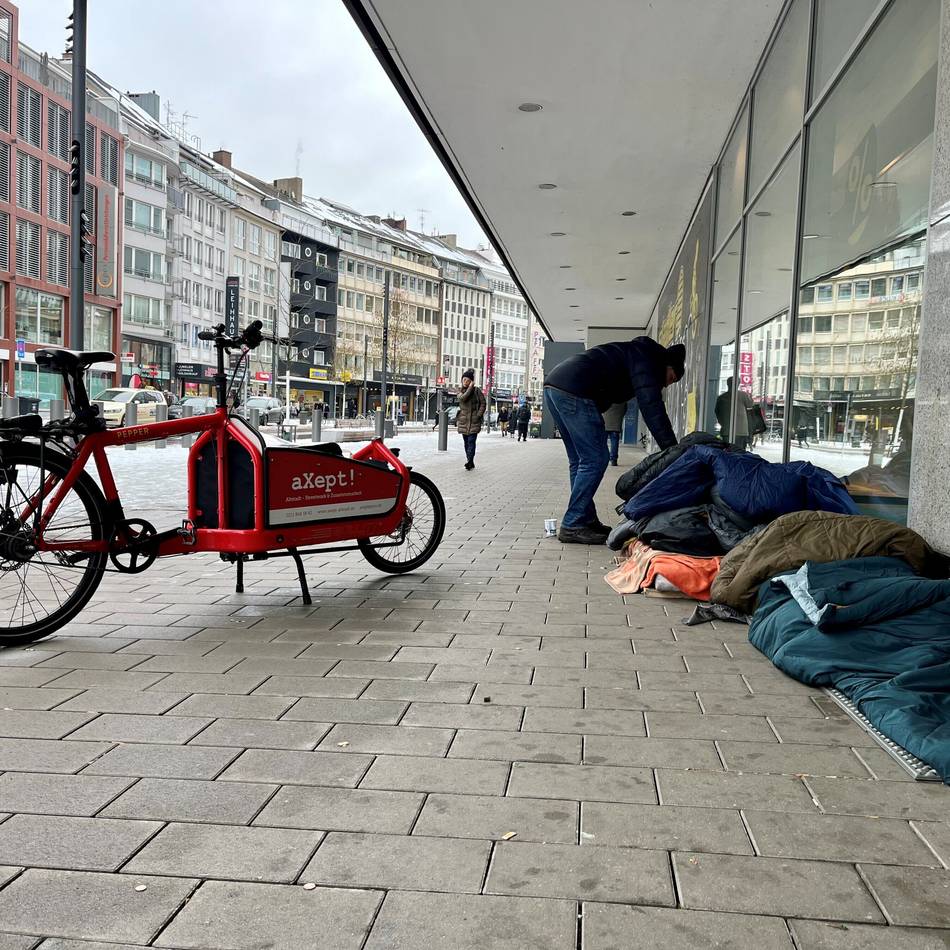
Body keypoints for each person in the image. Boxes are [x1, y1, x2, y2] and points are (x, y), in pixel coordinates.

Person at [544, 336, 684, 545]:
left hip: (556, 386)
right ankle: (573, 524)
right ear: (667, 364)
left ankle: (584, 518)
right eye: (672, 378)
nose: (667, 384)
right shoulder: (648, 360)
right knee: (596, 459)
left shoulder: (637, 353)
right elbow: (652, 408)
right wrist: (673, 451)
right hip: (575, 390)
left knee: (580, 462)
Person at [456, 368, 486, 470]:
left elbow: (483, 403)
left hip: (474, 420)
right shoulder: (459, 391)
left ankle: (469, 461)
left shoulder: (477, 391)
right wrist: (470, 388)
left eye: (468, 380)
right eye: (464, 380)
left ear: (471, 381)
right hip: (464, 421)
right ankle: (470, 461)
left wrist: (478, 415)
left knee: (471, 442)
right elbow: (463, 398)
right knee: (466, 443)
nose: (465, 382)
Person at [714, 376, 755, 451]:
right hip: (741, 431)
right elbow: (750, 404)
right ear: (738, 384)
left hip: (727, 430)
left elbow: (717, 412)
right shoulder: (743, 395)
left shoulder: (721, 397)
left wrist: (723, 423)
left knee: (728, 452)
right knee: (739, 453)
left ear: (727, 384)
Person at [603, 401, 627, 466]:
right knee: (614, 443)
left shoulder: (605, 397)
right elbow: (624, 410)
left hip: (605, 424)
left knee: (602, 443)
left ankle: (603, 458)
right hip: (616, 424)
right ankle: (613, 460)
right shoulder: (622, 400)